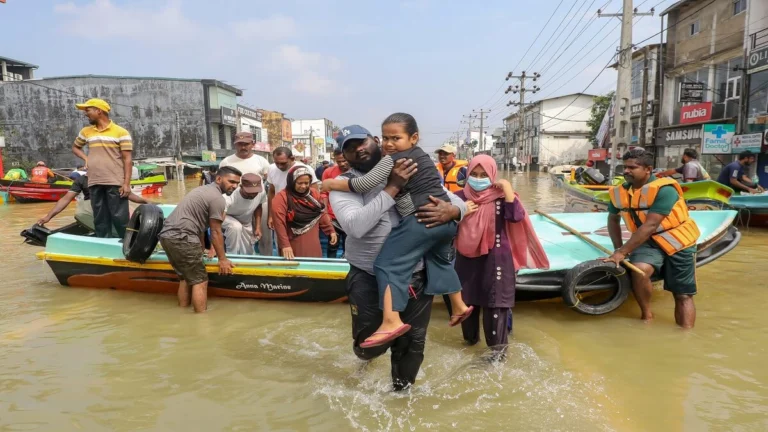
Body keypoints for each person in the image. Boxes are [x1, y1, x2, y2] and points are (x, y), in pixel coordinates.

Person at [329, 125, 467, 390]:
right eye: (349, 147)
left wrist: (452, 211)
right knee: (368, 346)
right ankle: (367, 360)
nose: (358, 149)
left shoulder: (407, 167)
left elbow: (452, 199)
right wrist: (391, 189)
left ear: (376, 142)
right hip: (369, 277)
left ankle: (402, 397)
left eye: (362, 142)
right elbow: (356, 227)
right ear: (344, 155)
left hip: (416, 274)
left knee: (413, 344)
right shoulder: (344, 187)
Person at [454, 155, 548, 351]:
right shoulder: (459, 197)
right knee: (467, 303)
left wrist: (507, 190)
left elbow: (515, 217)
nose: (478, 179)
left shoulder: (501, 197)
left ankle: (497, 357)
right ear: (467, 174)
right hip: (466, 258)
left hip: (496, 258)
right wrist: (461, 211)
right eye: (474, 174)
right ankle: (470, 346)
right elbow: (446, 225)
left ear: (493, 175)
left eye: (484, 175)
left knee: (495, 305)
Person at [603, 149, 701, 328]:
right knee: (640, 271)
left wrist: (623, 251)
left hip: (679, 241)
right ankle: (647, 315)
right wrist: (618, 250)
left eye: (632, 167)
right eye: (625, 167)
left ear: (648, 169)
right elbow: (613, 219)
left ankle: (686, 335)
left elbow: (650, 225)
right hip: (647, 242)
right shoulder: (618, 193)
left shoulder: (665, 190)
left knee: (682, 295)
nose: (626, 171)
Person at [158, 166, 241, 313]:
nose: (234, 186)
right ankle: (201, 321)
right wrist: (223, 259)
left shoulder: (200, 190)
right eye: (231, 181)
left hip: (167, 235)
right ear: (219, 179)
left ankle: (183, 312)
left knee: (185, 278)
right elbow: (215, 231)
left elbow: (200, 225)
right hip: (183, 237)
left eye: (237, 183)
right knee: (200, 280)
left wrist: (202, 248)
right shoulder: (217, 199)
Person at [71, 98, 133, 239]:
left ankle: (127, 245)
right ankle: (104, 246)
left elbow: (127, 159)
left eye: (88, 110)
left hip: (115, 181)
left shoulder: (121, 132)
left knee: (120, 218)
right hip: (94, 181)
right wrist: (86, 158)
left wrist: (126, 184)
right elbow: (75, 147)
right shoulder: (86, 132)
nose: (86, 114)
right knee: (100, 219)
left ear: (99, 111)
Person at [36, 174, 152, 232]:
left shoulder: (112, 178)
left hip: (114, 209)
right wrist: (48, 217)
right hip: (93, 210)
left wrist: (146, 201)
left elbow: (129, 195)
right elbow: (65, 199)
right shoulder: (82, 180)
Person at [220, 132, 272, 255]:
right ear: (235, 145)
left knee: (264, 233)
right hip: (235, 200)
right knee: (236, 228)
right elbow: (220, 183)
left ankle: (267, 258)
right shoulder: (226, 161)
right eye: (239, 144)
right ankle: (235, 255)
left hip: (258, 198)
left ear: (252, 144)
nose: (243, 147)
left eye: (246, 144)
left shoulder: (261, 161)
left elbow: (270, 180)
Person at [272, 166, 337, 258]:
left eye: (306, 183)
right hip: (293, 243)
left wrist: (330, 230)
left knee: (314, 266)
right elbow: (279, 224)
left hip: (313, 241)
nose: (303, 186)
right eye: (299, 183)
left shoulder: (313, 194)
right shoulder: (282, 198)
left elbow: (321, 213)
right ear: (292, 181)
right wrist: (285, 245)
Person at [267, 147, 319, 231]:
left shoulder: (305, 169)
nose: (279, 166)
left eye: (283, 163)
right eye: (277, 163)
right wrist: (270, 215)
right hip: (280, 211)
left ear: (292, 158)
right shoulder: (272, 168)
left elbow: (315, 194)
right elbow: (272, 192)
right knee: (281, 240)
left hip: (301, 213)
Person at [221, 173, 265, 255]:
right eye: (249, 192)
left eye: (255, 192)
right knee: (235, 227)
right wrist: (214, 246)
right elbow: (218, 219)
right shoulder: (229, 196)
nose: (252, 195)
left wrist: (258, 227)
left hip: (245, 221)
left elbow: (259, 206)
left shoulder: (260, 191)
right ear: (241, 186)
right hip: (225, 216)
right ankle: (231, 256)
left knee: (248, 252)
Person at [321, 149, 351, 258]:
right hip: (333, 217)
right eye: (339, 161)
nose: (342, 164)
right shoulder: (328, 172)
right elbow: (324, 194)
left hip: (351, 217)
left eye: (345, 160)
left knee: (349, 248)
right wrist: (325, 213)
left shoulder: (358, 172)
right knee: (332, 244)